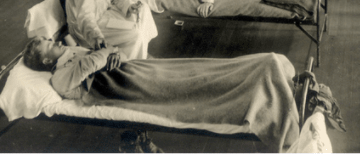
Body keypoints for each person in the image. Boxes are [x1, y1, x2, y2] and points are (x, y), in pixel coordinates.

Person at [21, 38, 301, 151]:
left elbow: (105, 53)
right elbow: (93, 63)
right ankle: (265, 80)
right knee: (194, 86)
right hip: (122, 85)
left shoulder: (69, 55)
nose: (55, 41)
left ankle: (267, 70)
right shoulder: (58, 75)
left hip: (134, 70)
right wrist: (106, 52)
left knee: (196, 70)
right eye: (50, 45)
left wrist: (112, 51)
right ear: (46, 61)